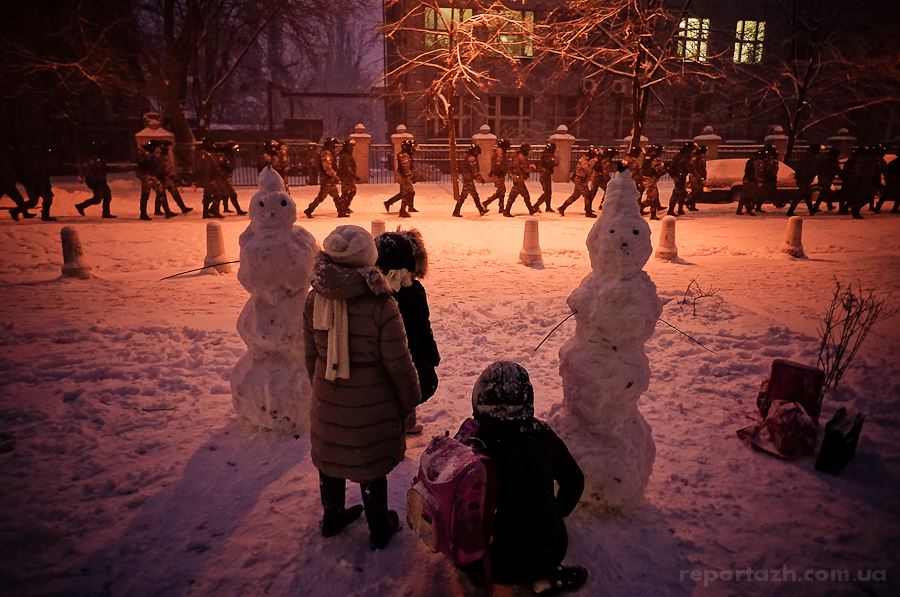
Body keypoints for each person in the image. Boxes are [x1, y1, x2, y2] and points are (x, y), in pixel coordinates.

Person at [303, 225, 422, 550]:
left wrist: (322, 387)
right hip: (373, 401)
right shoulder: (381, 302)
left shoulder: (315, 298)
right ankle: (379, 526)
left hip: (328, 395)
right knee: (370, 466)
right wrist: (410, 399)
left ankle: (333, 515)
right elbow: (398, 361)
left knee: (331, 457)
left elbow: (310, 352)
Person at [464, 361, 587, 593]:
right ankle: (543, 576)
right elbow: (574, 482)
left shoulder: (471, 441)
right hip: (543, 553)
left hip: (480, 560)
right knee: (542, 540)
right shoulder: (542, 437)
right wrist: (554, 513)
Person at [374, 229, 440, 434]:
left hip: (382, 360)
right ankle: (399, 418)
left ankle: (398, 417)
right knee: (415, 384)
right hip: (408, 357)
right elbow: (420, 329)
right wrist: (430, 357)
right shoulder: (412, 292)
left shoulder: (372, 292)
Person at [304, 137, 343, 218]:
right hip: (326, 178)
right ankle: (309, 209)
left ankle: (341, 211)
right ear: (329, 144)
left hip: (329, 178)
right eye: (333, 144)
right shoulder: (326, 153)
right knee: (322, 196)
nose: (334, 146)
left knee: (335, 195)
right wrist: (334, 176)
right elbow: (327, 167)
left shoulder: (329, 153)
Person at [75, 141, 115, 218]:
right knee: (98, 199)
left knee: (107, 196)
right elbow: (88, 168)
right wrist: (85, 176)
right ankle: (81, 206)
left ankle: (106, 213)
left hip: (100, 179)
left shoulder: (98, 156)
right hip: (95, 180)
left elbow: (101, 167)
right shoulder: (91, 157)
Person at [557, 146, 597, 217]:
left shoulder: (586, 159)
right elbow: (586, 168)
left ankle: (562, 208)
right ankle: (588, 212)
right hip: (580, 179)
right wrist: (593, 161)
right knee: (588, 195)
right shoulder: (585, 160)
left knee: (575, 195)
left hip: (580, 179)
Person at [2, 142, 35, 221]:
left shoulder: (11, 161)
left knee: (19, 199)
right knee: (19, 199)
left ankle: (24, 213)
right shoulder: (6, 160)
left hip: (9, 184)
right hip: (4, 183)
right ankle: (23, 213)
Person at [23, 144, 56, 221]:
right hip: (39, 182)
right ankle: (45, 215)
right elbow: (39, 171)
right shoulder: (39, 160)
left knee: (39, 200)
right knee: (45, 199)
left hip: (40, 182)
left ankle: (16, 211)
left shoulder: (39, 160)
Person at [384, 139, 416, 217]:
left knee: (409, 192)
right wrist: (411, 177)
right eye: (412, 147)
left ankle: (389, 203)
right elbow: (405, 168)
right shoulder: (404, 155)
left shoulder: (406, 154)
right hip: (403, 176)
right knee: (406, 193)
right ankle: (402, 210)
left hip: (404, 176)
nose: (413, 149)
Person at [504, 143, 538, 217]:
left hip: (518, 177)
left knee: (525, 195)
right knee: (514, 195)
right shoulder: (521, 157)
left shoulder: (517, 156)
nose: (529, 152)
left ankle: (531, 210)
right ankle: (506, 211)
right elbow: (524, 168)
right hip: (519, 178)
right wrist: (531, 168)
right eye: (529, 150)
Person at [454, 144, 487, 217]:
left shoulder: (468, 158)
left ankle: (481, 210)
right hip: (469, 180)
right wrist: (480, 178)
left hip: (467, 179)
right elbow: (475, 171)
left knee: (473, 195)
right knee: (466, 196)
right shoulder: (472, 159)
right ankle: (456, 211)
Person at [786, 144, 820, 217]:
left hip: (803, 178)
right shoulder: (810, 158)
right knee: (802, 194)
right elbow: (809, 169)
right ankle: (791, 210)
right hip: (804, 178)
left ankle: (811, 210)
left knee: (806, 194)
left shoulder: (806, 156)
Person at [482, 139, 510, 213]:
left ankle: (499, 207)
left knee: (501, 191)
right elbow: (498, 164)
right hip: (498, 175)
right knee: (502, 191)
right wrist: (499, 171)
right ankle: (488, 203)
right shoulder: (500, 153)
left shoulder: (499, 152)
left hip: (499, 174)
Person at [640, 144, 667, 220]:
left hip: (647, 178)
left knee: (654, 196)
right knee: (652, 198)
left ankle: (642, 209)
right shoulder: (654, 159)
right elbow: (658, 170)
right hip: (650, 179)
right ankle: (650, 213)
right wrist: (665, 168)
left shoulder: (647, 157)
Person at [666, 142, 694, 216]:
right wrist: (676, 177)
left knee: (681, 193)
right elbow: (676, 168)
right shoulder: (682, 157)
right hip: (679, 177)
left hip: (681, 176)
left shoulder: (684, 156)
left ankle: (680, 209)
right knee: (677, 193)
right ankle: (670, 210)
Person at [813, 147, 840, 212]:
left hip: (824, 177)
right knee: (825, 192)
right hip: (825, 177)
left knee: (826, 192)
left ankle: (827, 205)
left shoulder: (825, 158)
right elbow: (833, 169)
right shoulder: (830, 160)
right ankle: (817, 206)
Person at [737, 150, 763, 216]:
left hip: (748, 180)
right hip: (751, 181)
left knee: (745, 196)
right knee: (750, 196)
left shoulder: (750, 162)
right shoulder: (755, 162)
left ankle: (741, 210)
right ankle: (748, 210)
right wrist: (758, 180)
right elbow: (755, 173)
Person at [535, 143, 558, 212]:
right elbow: (553, 163)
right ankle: (536, 205)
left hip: (546, 175)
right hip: (544, 175)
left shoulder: (547, 155)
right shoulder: (547, 156)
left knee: (548, 192)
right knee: (547, 192)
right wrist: (555, 158)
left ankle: (548, 207)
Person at [338, 138, 357, 216]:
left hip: (348, 177)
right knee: (348, 192)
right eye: (350, 146)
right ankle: (342, 210)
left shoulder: (348, 155)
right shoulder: (345, 156)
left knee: (349, 192)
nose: (352, 148)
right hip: (346, 176)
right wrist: (354, 176)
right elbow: (347, 168)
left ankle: (345, 207)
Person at [687, 144, 708, 211]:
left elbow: (703, 168)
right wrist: (697, 175)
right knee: (695, 191)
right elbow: (693, 168)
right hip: (695, 176)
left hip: (699, 176)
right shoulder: (696, 157)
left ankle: (692, 205)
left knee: (698, 192)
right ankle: (688, 202)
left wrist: (704, 175)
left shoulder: (702, 157)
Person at [759, 143, 780, 210]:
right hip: (768, 177)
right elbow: (768, 168)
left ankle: (757, 206)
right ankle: (777, 202)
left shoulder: (768, 158)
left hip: (768, 177)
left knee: (763, 192)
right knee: (767, 191)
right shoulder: (768, 158)